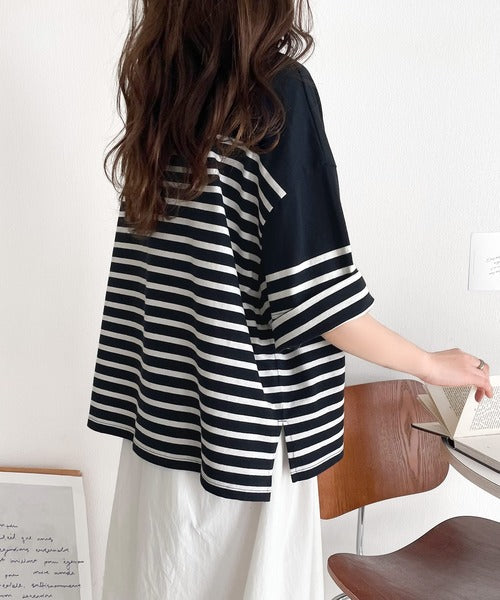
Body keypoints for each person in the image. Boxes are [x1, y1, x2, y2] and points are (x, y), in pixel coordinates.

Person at [86, 2, 493, 599]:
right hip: (243, 437)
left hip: (158, 425)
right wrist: (431, 365)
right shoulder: (274, 95)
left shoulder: (163, 96)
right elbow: (315, 296)